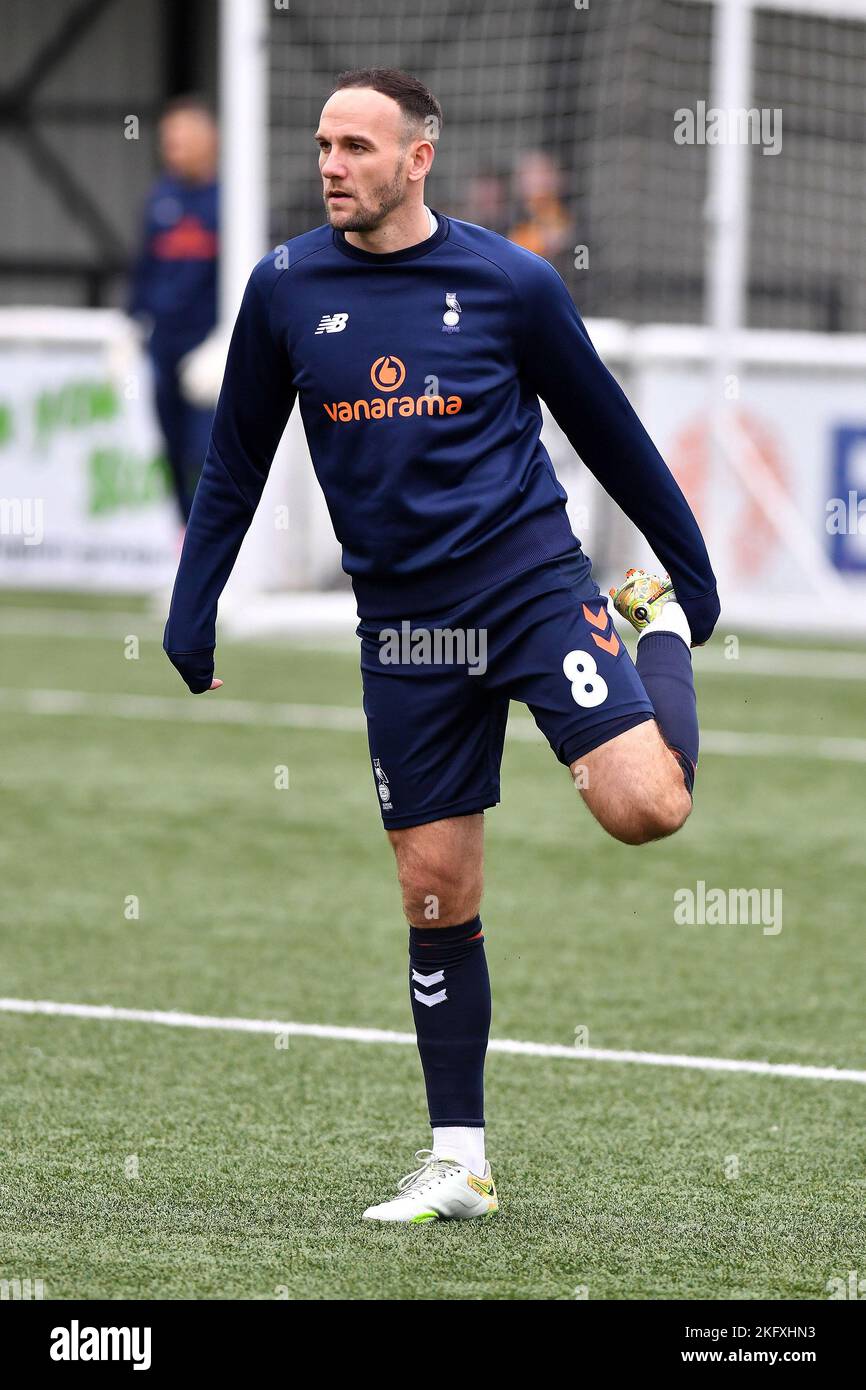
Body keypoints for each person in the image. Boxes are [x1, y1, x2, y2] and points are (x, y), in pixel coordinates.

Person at [163, 68, 719, 1222]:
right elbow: (234, 461)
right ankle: (458, 1158)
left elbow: (606, 431)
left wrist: (686, 574)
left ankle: (648, 623)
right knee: (431, 889)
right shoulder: (280, 290)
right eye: (322, 143)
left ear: (416, 158)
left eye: (357, 146)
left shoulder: (509, 282)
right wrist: (193, 599)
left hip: (524, 584)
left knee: (645, 809)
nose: (331, 165)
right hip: (402, 626)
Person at [129, 95, 219, 524]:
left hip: (210, 351)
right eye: (168, 139)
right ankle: (183, 545)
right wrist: (130, 326)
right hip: (164, 345)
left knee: (205, 454)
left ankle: (218, 553)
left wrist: (226, 340)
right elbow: (144, 268)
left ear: (211, 140)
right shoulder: (159, 198)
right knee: (169, 448)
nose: (173, 147)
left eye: (183, 138)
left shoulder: (230, 202)